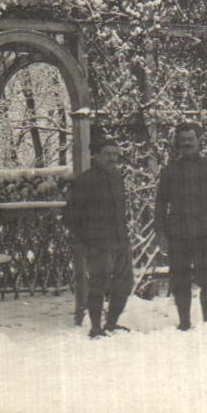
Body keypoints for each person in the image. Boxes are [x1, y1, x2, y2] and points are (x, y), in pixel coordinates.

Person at [154, 123, 207, 330]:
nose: (187, 143)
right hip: (178, 235)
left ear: (198, 141)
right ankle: (184, 322)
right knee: (180, 281)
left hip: (205, 234)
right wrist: (161, 233)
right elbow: (160, 204)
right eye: (183, 140)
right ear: (177, 143)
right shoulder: (169, 172)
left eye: (191, 139)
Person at [63, 134, 134, 339]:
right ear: (96, 156)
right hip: (99, 244)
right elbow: (70, 215)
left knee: (124, 285)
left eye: (115, 154)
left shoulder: (117, 178)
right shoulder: (85, 180)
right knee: (98, 285)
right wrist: (86, 238)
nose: (112, 158)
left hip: (120, 240)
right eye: (107, 154)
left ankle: (111, 324)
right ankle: (96, 328)